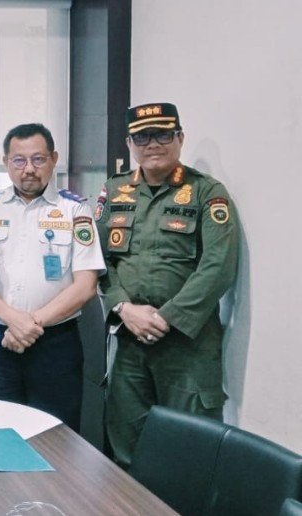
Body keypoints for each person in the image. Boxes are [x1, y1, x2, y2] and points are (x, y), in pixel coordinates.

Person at [96, 103, 239, 467]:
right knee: (127, 444)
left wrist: (166, 318)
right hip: (128, 340)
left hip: (187, 345)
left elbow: (219, 266)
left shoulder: (206, 192)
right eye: (142, 136)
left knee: (190, 449)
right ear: (130, 143)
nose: (153, 144)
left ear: (180, 138)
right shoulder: (114, 191)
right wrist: (124, 308)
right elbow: (97, 260)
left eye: (162, 134)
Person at [0, 123, 106, 430]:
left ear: (54, 159)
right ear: (6, 162)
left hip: (56, 344)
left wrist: (29, 324)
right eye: (19, 160)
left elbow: (86, 285)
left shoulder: (75, 209)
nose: (29, 169)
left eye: (38, 159)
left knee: (55, 435)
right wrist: (12, 319)